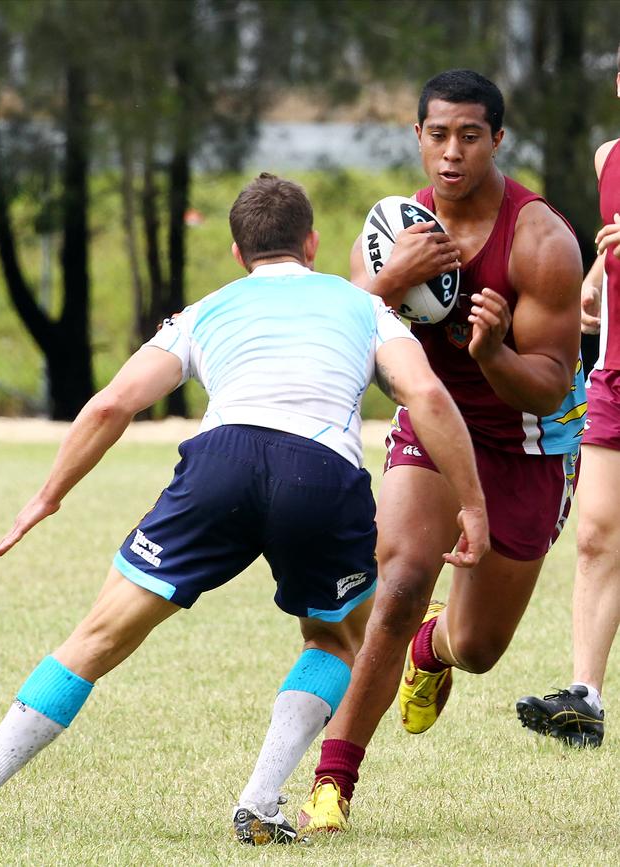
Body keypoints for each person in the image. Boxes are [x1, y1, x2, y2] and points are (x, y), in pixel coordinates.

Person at [0, 173, 488, 843]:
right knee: (334, 635)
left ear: (240, 254)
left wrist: (48, 495)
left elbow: (111, 404)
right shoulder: (365, 308)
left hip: (222, 463)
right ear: (312, 241)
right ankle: (260, 796)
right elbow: (430, 398)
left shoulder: (208, 309)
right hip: (320, 474)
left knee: (94, 638)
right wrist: (471, 503)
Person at [297, 69, 585, 835]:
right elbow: (348, 329)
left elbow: (553, 386)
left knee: (482, 648)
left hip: (525, 442)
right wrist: (392, 281)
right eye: (436, 135)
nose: (451, 152)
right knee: (396, 585)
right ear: (417, 137)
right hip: (431, 426)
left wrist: (491, 352)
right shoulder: (395, 222)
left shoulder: (542, 240)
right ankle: (334, 782)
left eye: (468, 136)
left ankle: (436, 646)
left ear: (497, 139)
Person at [516, 46, 620, 748]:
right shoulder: (608, 156)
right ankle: (584, 697)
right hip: (614, 371)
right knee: (594, 535)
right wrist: (591, 281)